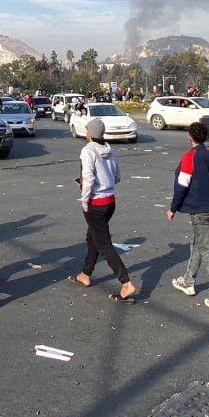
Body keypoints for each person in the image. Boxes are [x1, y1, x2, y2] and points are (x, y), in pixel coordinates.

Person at [71, 118, 137, 302]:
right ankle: (86, 273)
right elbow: (117, 177)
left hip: (95, 203)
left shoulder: (88, 151)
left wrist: (85, 201)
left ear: (89, 134)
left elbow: (88, 178)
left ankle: (126, 283)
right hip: (110, 201)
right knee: (93, 237)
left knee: (104, 244)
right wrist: (106, 182)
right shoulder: (111, 150)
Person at [168, 122, 209, 312]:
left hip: (199, 208)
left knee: (207, 250)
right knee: (198, 244)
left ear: (190, 137)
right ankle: (188, 281)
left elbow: (182, 184)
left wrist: (173, 208)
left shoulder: (189, 156)